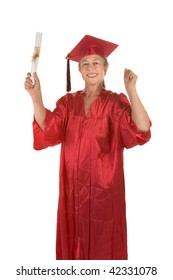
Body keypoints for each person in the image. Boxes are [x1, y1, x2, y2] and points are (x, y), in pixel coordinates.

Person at [24, 35, 151, 260]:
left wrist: (131, 90)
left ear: (105, 69)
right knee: (72, 243)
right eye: (85, 64)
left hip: (105, 193)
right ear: (80, 71)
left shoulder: (115, 103)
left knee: (105, 245)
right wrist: (36, 96)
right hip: (72, 190)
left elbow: (141, 129)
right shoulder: (68, 103)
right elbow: (48, 128)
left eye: (96, 63)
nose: (90, 68)